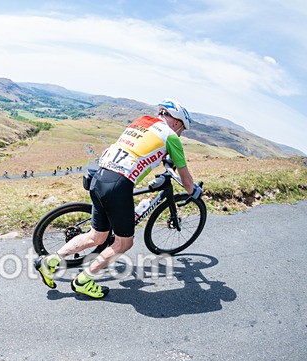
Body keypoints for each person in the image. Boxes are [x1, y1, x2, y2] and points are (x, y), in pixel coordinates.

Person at [35, 98, 201, 299]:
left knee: (96, 236)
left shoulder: (140, 121)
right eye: (181, 129)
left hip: (100, 176)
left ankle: (50, 261)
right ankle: (83, 280)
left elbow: (142, 148)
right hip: (118, 185)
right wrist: (193, 192)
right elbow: (185, 177)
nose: (180, 134)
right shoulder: (171, 136)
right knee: (124, 243)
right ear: (176, 121)